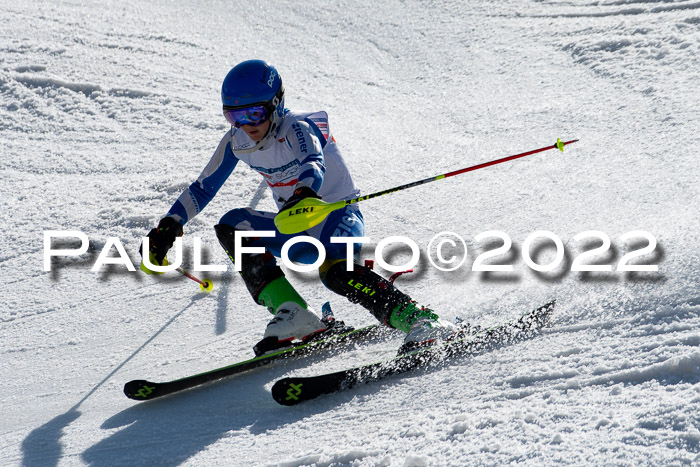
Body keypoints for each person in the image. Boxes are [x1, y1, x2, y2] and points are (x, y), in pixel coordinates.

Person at [141, 59, 456, 355]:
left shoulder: (297, 126)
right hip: (295, 227)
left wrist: (304, 192)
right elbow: (202, 187)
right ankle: (293, 313)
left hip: (337, 218)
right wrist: (170, 224)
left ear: (275, 104)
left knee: (336, 273)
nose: (246, 124)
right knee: (232, 226)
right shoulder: (237, 141)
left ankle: (421, 321)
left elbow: (313, 161)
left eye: (255, 114)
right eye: (235, 117)